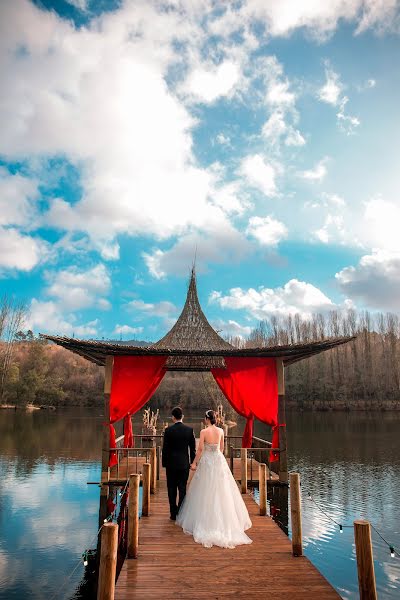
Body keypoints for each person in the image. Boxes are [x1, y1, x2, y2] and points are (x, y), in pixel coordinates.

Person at [176, 409, 252, 549]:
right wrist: (216, 456)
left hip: (207, 461)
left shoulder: (204, 432)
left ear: (206, 419)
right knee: (221, 489)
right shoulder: (221, 431)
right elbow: (222, 448)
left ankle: (204, 522)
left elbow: (199, 450)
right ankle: (225, 522)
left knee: (203, 489)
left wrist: (194, 463)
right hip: (218, 460)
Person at [162, 406, 196, 521]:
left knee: (171, 489)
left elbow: (165, 449)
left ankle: (173, 513)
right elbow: (192, 449)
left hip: (171, 465)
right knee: (182, 488)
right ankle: (181, 513)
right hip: (184, 464)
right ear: (183, 417)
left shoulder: (168, 431)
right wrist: (192, 462)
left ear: (173, 417)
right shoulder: (189, 430)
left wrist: (164, 463)